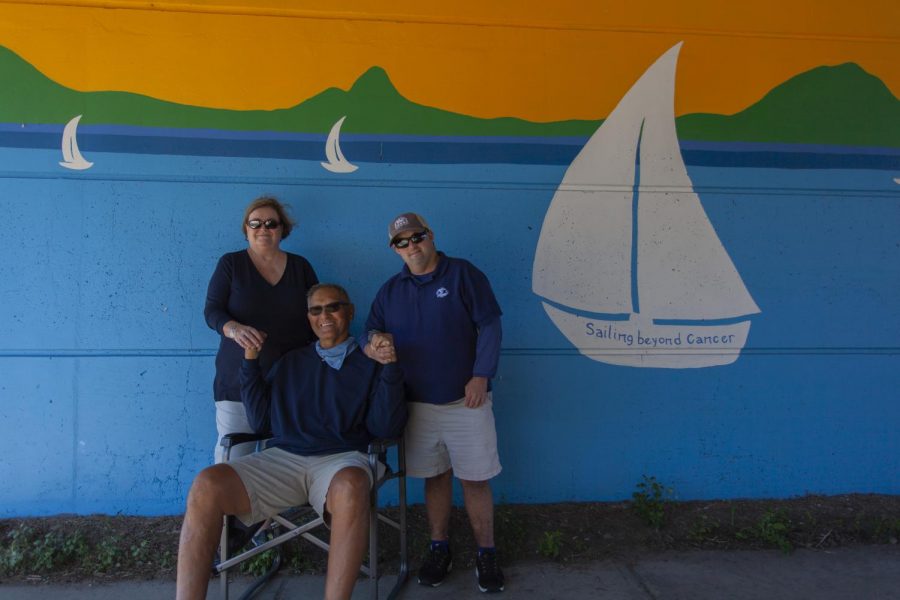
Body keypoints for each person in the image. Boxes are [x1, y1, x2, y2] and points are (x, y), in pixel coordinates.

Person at [177, 283, 407, 600]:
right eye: (316, 309)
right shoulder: (292, 362)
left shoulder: (370, 361)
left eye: (333, 307)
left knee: (352, 485)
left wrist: (390, 367)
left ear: (350, 311)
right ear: (308, 317)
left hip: (343, 459)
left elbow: (386, 426)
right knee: (207, 483)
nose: (324, 316)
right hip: (284, 458)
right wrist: (250, 361)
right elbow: (261, 422)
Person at [363, 213, 505, 593]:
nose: (412, 246)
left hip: (466, 401)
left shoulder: (462, 274)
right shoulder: (391, 290)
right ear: (394, 249)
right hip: (417, 405)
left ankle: (486, 552)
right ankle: (439, 547)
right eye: (402, 242)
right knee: (435, 477)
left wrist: (481, 374)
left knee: (475, 479)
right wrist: (373, 343)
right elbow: (370, 331)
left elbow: (490, 324)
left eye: (417, 237)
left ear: (431, 236)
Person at [204, 196, 319, 463]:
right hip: (237, 382)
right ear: (246, 229)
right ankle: (230, 507)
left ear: (283, 230)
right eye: (255, 223)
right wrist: (233, 329)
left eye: (271, 223)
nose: (263, 229)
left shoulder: (301, 267)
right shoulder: (231, 264)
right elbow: (212, 311)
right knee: (231, 462)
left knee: (278, 466)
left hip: (287, 383)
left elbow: (317, 316)